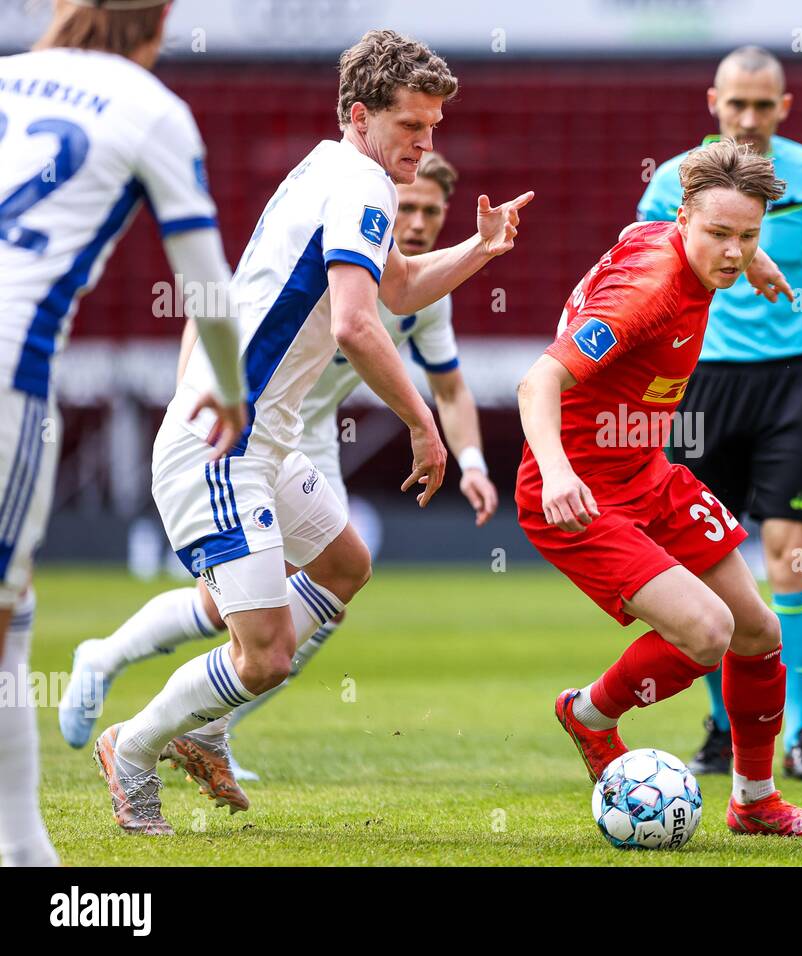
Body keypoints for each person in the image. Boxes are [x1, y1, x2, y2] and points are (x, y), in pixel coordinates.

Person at [92, 28, 531, 835]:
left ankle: (209, 720)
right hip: (221, 447)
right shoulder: (361, 183)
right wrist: (422, 425)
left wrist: (481, 245)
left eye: (434, 129)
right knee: (265, 656)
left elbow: (394, 288)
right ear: (361, 114)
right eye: (411, 127)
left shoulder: (338, 172)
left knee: (343, 563)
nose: (425, 144)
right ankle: (134, 746)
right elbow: (361, 328)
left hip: (259, 441)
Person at [58, 150, 498, 792]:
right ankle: (130, 703)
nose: (422, 219)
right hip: (240, 435)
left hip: (293, 437)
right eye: (412, 207)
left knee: (339, 574)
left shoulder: (410, 280)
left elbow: (441, 367)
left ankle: (208, 723)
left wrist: (474, 460)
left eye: (434, 211)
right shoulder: (342, 210)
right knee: (247, 630)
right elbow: (238, 308)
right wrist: (197, 396)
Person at [517, 138, 802, 836]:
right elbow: (538, 380)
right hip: (577, 491)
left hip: (646, 471)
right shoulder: (648, 294)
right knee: (707, 632)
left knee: (758, 630)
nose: (732, 250)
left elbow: (721, 234)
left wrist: (753, 260)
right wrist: (559, 471)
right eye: (719, 235)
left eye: (747, 235)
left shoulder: (675, 232)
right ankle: (590, 714)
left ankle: (754, 803)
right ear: (685, 218)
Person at [0, 0, 246, 865]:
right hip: (8, 375)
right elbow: (208, 283)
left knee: (13, 600)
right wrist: (232, 382)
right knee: (4, 607)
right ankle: (24, 854)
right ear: (155, 27)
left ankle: (27, 850)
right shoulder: (149, 107)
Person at [638, 46, 802, 780]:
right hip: (695, 388)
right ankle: (721, 727)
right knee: (701, 566)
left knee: (790, 557)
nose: (748, 117)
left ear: (785, 106)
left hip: (788, 387)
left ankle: (799, 736)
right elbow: (644, 269)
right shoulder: (672, 181)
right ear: (713, 100)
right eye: (736, 103)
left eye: (763, 105)